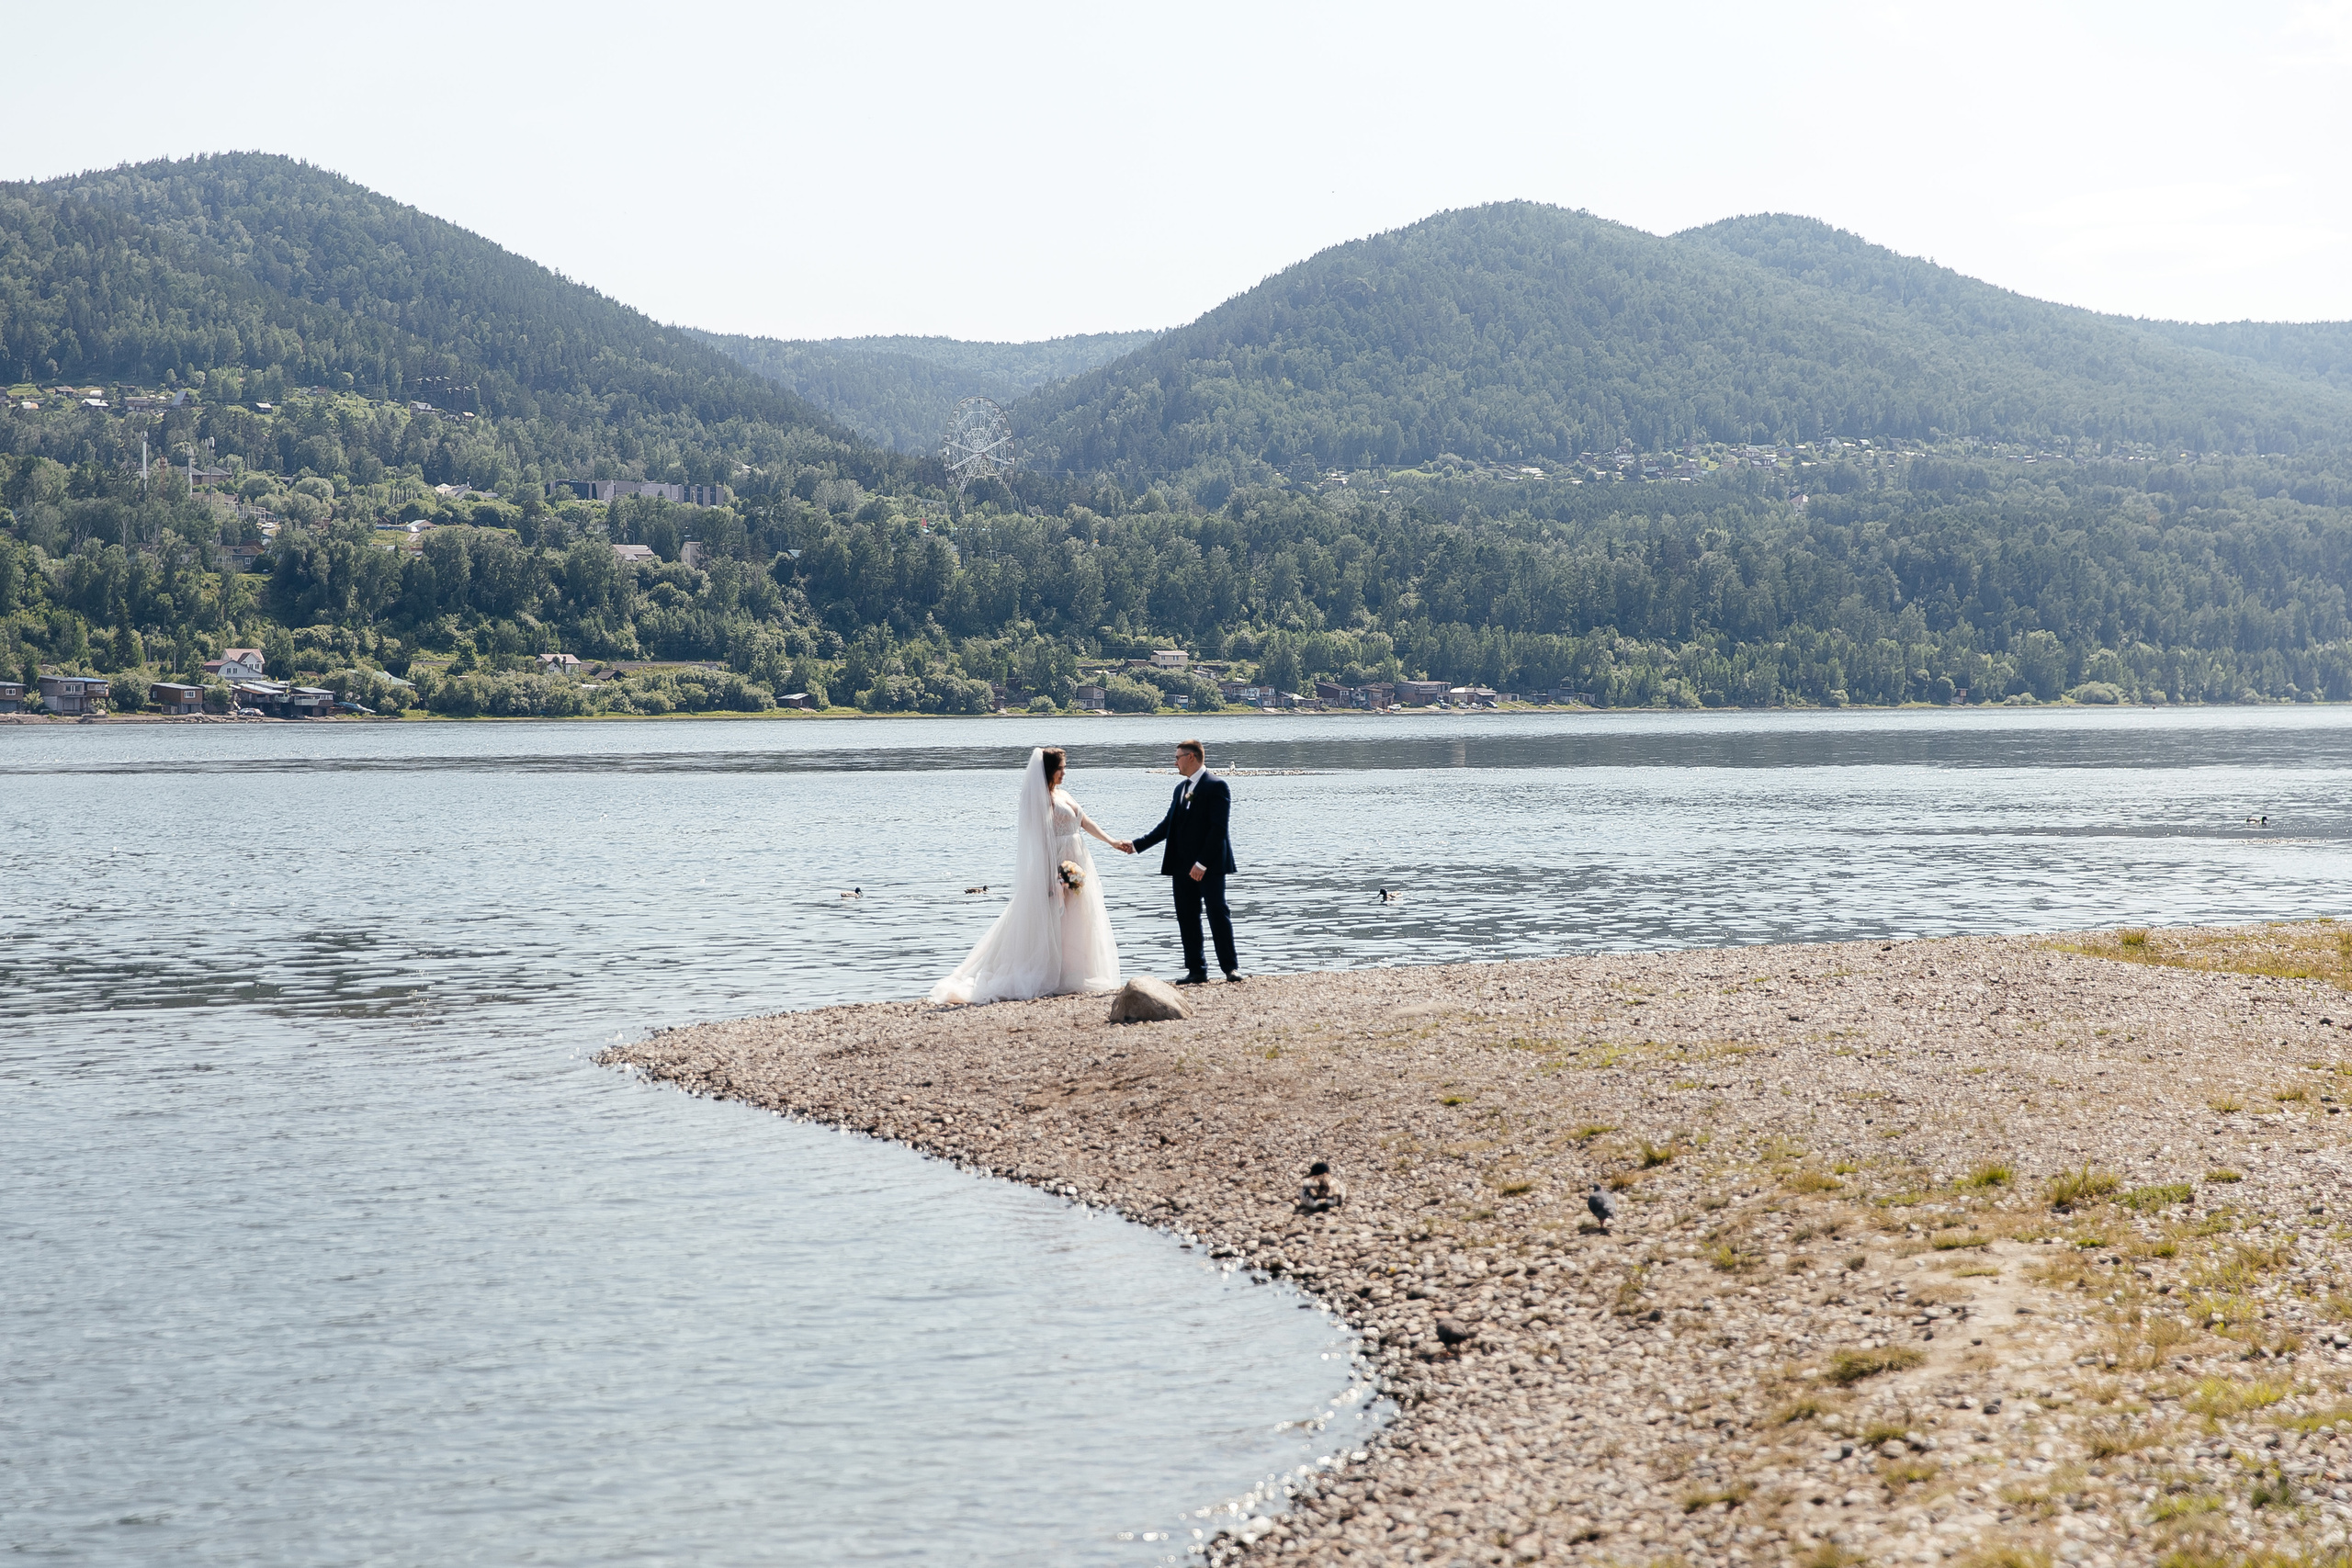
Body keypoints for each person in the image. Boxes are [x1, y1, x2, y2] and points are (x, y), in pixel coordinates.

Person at [930, 747, 1125, 1005]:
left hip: (1078, 861)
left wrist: (1112, 842)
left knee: (1078, 918)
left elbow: (1084, 822)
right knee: (1052, 919)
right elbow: (1041, 842)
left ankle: (1076, 972)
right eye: (1061, 769)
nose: (1065, 773)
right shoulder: (1041, 800)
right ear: (1049, 770)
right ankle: (1049, 972)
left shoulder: (1063, 794)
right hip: (1056, 865)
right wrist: (1054, 878)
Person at [1122, 738, 1240, 986]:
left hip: (1210, 866)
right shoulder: (1180, 789)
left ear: (1192, 757)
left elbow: (1218, 829)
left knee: (1218, 913)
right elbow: (1168, 826)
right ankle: (1197, 969)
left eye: (1177, 757)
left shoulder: (1217, 785)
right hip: (1181, 865)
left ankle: (1230, 968)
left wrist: (1202, 864)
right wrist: (1136, 845)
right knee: (1187, 916)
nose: (1174, 762)